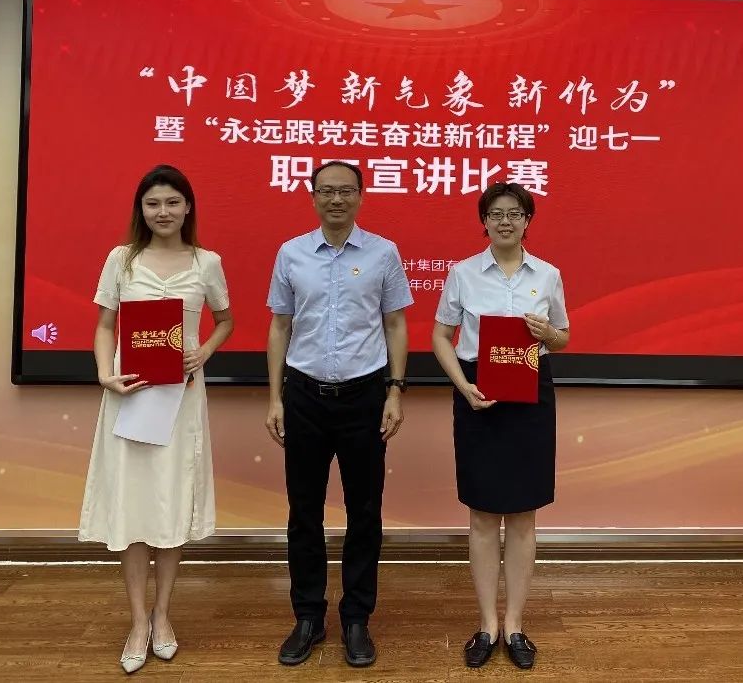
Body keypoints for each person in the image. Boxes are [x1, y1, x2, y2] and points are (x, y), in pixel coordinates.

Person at [78, 164, 233, 674]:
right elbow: (105, 325)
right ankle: (137, 621)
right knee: (132, 505)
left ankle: (163, 615)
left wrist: (203, 351)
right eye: (153, 203)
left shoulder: (207, 262)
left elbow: (225, 321)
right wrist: (105, 374)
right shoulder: (121, 260)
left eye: (172, 202)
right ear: (140, 210)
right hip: (130, 396)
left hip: (180, 400)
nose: (162, 212)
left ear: (187, 207)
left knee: (169, 502)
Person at [265, 161, 413, 668]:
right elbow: (279, 327)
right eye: (326, 191)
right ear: (312, 196)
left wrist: (395, 391)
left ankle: (356, 618)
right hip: (304, 395)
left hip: (364, 397)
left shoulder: (383, 253)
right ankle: (308, 616)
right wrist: (275, 398)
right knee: (303, 511)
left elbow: (395, 324)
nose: (336, 200)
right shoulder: (291, 253)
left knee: (364, 511)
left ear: (361, 196)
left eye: (345, 191)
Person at [431, 182, 570, 671]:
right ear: (484, 221)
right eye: (496, 213)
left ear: (527, 221)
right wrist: (463, 386)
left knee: (524, 514)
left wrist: (548, 333)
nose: (505, 221)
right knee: (484, 514)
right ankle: (487, 624)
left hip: (531, 396)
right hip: (479, 395)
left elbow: (563, 337)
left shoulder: (548, 274)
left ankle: (515, 624)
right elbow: (441, 336)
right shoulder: (463, 274)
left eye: (514, 213)